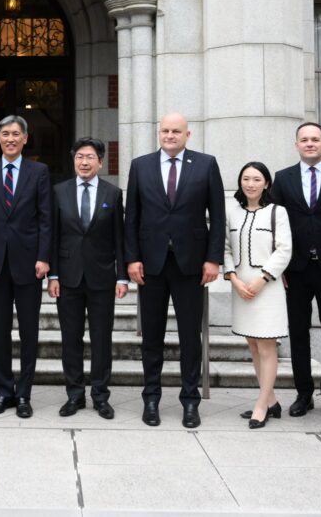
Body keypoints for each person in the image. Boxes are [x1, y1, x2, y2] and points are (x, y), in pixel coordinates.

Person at [124, 112, 226, 428]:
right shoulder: (140, 166)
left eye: (176, 131)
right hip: (151, 265)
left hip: (191, 265)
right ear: (159, 133)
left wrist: (213, 259)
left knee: (190, 336)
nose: (170, 135)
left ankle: (190, 401)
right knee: (151, 336)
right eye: (165, 131)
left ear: (187, 135)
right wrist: (131, 259)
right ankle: (151, 399)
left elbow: (218, 216)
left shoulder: (206, 165)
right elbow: (132, 217)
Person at [0, 115, 51, 418]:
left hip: (30, 264)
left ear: (25, 138)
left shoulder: (39, 171)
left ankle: (24, 394)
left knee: (29, 333)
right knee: (0, 332)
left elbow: (45, 218)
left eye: (16, 134)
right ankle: (3, 392)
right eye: (5, 134)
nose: (10, 139)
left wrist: (44, 257)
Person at [269, 122, 321, 420]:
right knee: (298, 333)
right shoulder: (282, 179)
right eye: (304, 140)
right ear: (297, 145)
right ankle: (303, 393)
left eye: (315, 139)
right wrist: (277, 267)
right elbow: (273, 224)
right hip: (295, 270)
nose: (310, 144)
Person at [48, 137, 126, 419]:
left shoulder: (112, 194)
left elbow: (120, 238)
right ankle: (75, 395)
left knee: (101, 339)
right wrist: (53, 274)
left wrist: (122, 277)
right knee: (71, 339)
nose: (84, 162)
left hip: (102, 278)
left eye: (90, 157)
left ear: (100, 162)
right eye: (79, 156)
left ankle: (101, 396)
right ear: (74, 161)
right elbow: (53, 236)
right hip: (67, 278)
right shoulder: (58, 191)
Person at [224, 161, 293, 429]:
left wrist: (262, 279)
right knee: (252, 344)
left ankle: (261, 405)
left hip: (267, 288)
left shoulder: (278, 212)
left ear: (266, 183)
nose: (250, 184)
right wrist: (233, 279)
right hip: (241, 287)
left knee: (266, 346)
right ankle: (271, 400)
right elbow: (225, 248)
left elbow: (284, 250)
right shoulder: (232, 212)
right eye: (246, 179)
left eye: (256, 179)